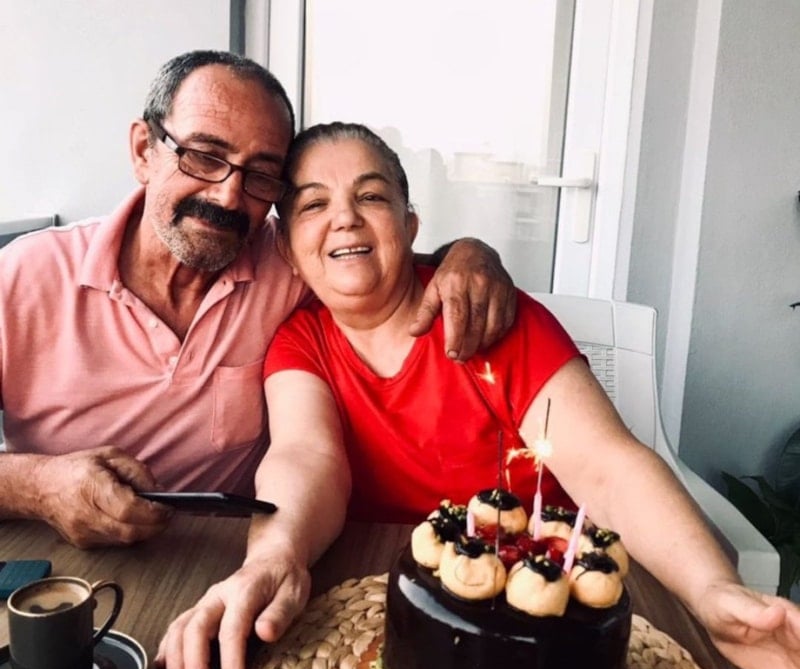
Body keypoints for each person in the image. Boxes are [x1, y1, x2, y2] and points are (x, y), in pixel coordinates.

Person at [158, 121, 800, 669]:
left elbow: (607, 467)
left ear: (410, 226)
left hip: (546, 622)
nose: (345, 218)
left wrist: (715, 593)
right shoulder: (300, 341)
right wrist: (274, 558)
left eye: (371, 196)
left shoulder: (491, 316)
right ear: (289, 248)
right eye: (313, 204)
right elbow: (305, 456)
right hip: (383, 616)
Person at [0, 51, 517, 550]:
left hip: (224, 555)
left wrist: (471, 253)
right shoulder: (24, 276)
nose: (228, 195)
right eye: (204, 157)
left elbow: (385, 257)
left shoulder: (288, 261)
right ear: (143, 151)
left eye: (261, 174)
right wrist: (39, 485)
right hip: (52, 562)